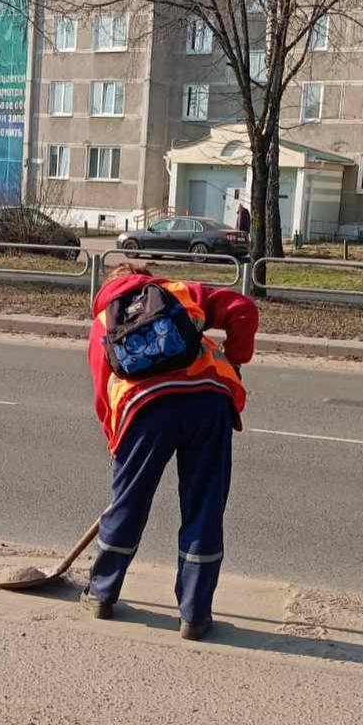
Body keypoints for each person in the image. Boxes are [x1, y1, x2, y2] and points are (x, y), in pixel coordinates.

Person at [82, 262, 259, 640]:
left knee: (128, 504)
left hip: (143, 410)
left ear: (108, 286)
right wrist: (235, 359)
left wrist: (117, 445)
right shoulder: (181, 291)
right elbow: (243, 309)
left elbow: (102, 394)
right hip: (209, 401)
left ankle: (101, 594)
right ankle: (194, 616)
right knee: (203, 508)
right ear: (147, 278)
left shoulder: (103, 318)